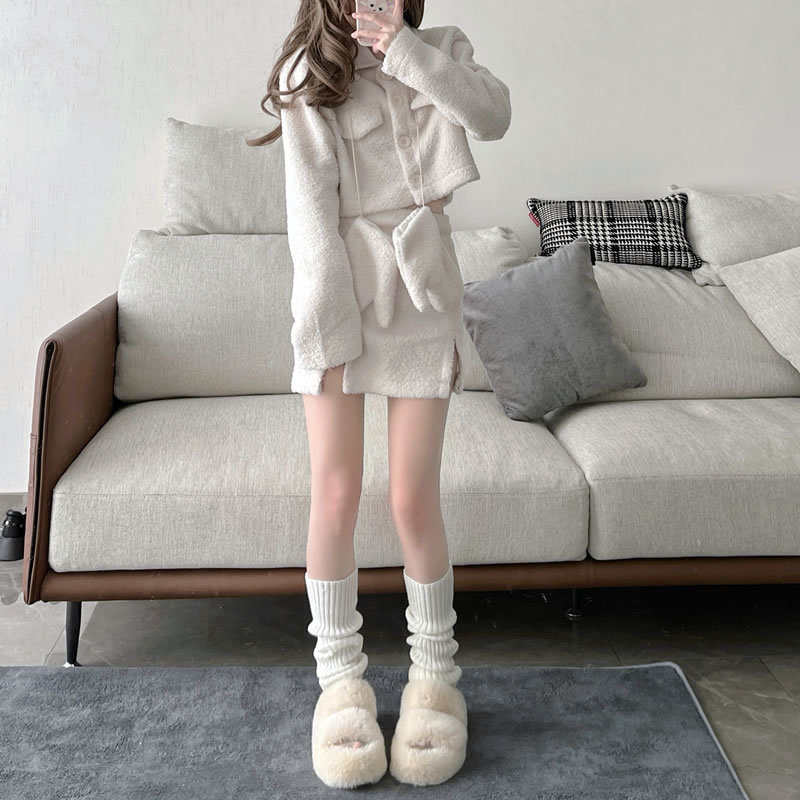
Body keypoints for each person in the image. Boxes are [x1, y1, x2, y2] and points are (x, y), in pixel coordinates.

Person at [247, 0, 511, 788]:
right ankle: (340, 688)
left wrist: (407, 54)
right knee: (334, 493)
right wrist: (325, 329)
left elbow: (493, 117)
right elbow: (309, 216)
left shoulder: (442, 50)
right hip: (339, 294)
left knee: (411, 498)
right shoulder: (310, 70)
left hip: (424, 292)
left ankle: (436, 684)